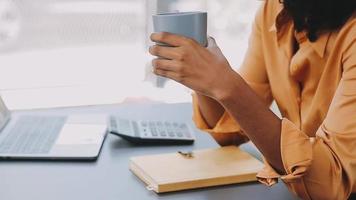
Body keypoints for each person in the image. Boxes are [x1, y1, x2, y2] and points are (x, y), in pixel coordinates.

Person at [148, 0, 356, 199]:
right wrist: (200, 76)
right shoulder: (273, 10)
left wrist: (225, 85)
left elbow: (332, 181)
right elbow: (230, 129)